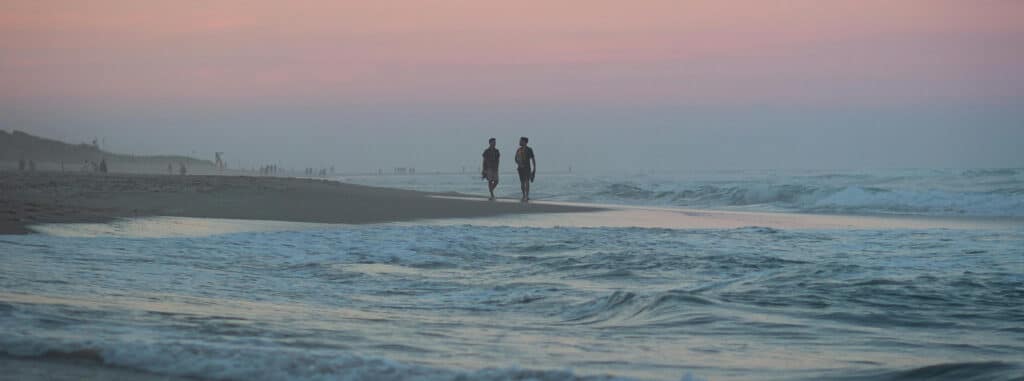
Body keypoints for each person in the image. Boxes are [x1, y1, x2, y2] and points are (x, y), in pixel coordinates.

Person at [514, 136, 536, 202]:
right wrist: (519, 163)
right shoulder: (518, 150)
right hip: (520, 168)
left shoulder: (529, 149)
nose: (519, 142)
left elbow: (533, 159)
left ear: (524, 142)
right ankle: (523, 195)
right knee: (522, 182)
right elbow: (515, 159)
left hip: (527, 168)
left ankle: (527, 196)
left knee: (527, 181)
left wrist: (534, 168)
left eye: (521, 141)